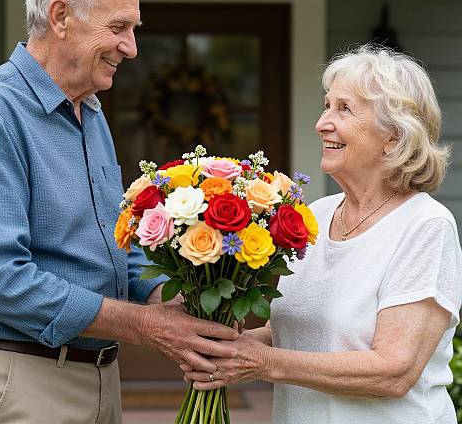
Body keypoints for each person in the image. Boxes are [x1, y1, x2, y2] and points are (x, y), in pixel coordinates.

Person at [0, 0, 238, 424]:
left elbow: (113, 240)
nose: (131, 47)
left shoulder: (90, 113)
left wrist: (173, 302)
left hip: (102, 377)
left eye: (132, 30)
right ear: (60, 16)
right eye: (119, 27)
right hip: (20, 382)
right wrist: (147, 326)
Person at [182, 45, 462, 424]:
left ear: (394, 136)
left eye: (343, 109)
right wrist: (226, 352)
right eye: (327, 105)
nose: (322, 122)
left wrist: (262, 363)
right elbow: (289, 332)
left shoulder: (425, 225)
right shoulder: (316, 215)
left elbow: (393, 371)